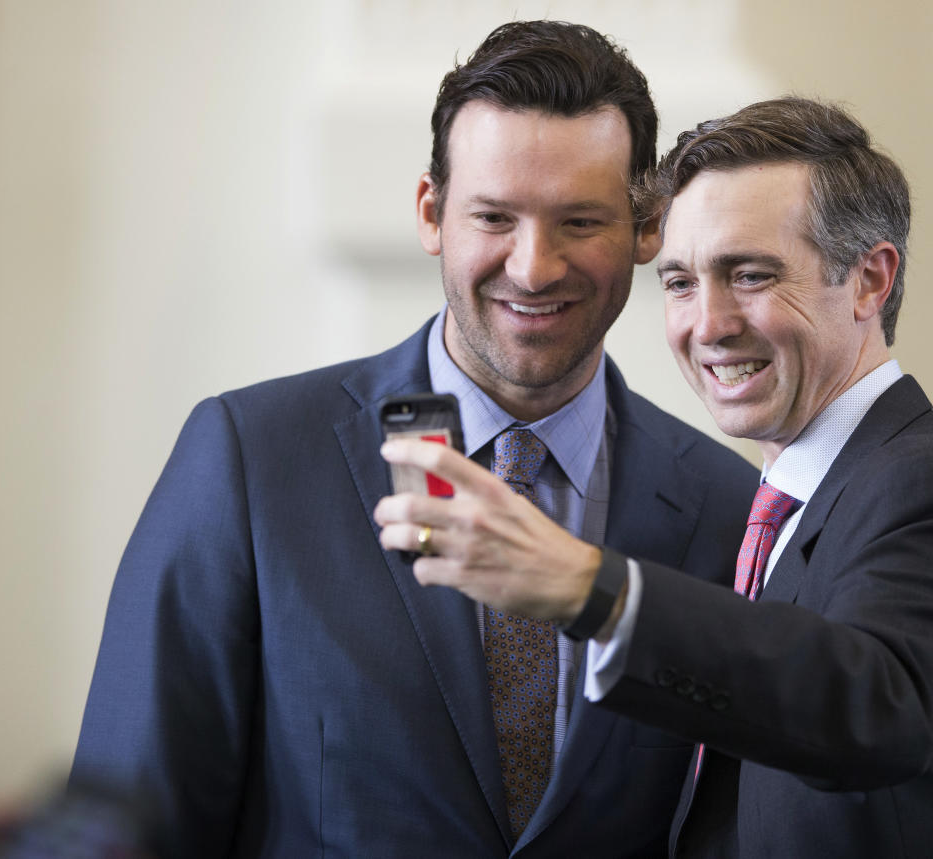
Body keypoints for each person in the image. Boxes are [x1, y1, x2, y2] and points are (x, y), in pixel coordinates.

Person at [72, 20, 759, 858]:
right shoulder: (253, 461)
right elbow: (122, 825)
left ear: (646, 228)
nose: (534, 266)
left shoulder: (728, 510)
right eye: (494, 217)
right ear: (432, 213)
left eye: (579, 221)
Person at [375, 97, 933, 857]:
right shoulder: (786, 505)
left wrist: (593, 590)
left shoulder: (930, 488)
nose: (706, 324)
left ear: (869, 280)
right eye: (679, 282)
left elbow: (874, 707)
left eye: (749, 274)